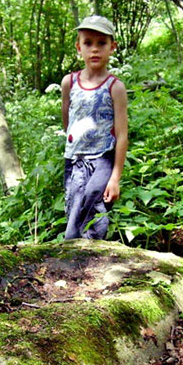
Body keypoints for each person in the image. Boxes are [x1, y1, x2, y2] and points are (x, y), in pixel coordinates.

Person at [61, 15, 128, 240]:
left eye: (102, 43)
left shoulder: (115, 87)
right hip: (74, 161)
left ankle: (92, 262)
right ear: (79, 48)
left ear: (112, 47)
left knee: (95, 209)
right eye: (88, 43)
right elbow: (67, 121)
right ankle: (73, 261)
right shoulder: (69, 83)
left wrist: (115, 177)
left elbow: (122, 134)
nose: (95, 50)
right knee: (74, 214)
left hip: (102, 159)